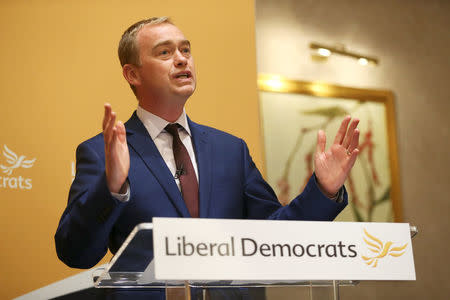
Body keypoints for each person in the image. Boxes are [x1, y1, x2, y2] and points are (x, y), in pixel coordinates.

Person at [55, 17, 359, 299]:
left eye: (185, 49)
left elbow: (274, 237)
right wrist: (112, 187)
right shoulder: (102, 152)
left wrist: (324, 190)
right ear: (132, 73)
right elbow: (75, 252)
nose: (181, 58)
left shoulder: (230, 149)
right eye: (164, 52)